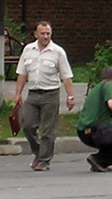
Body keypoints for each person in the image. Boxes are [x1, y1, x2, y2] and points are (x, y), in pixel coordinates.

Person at [13, 20, 76, 172]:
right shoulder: (28, 50)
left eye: (48, 33)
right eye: (42, 33)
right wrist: (18, 94)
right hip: (33, 94)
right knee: (27, 126)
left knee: (48, 130)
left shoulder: (58, 52)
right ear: (35, 34)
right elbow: (22, 73)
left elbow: (66, 76)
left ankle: (44, 160)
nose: (46, 36)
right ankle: (40, 152)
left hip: (51, 94)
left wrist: (70, 96)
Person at [76, 66, 112, 172]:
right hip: (94, 131)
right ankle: (98, 160)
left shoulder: (98, 88)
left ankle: (100, 162)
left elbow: (107, 114)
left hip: (84, 131)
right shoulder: (108, 85)